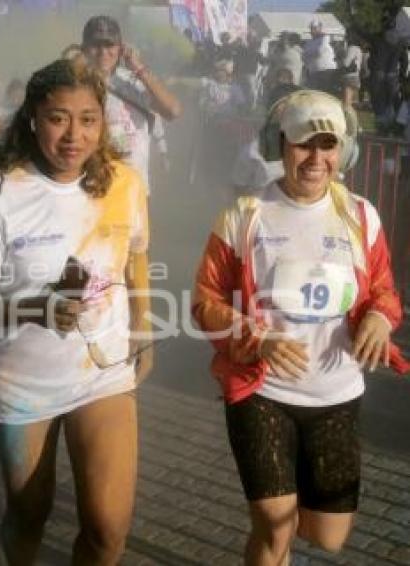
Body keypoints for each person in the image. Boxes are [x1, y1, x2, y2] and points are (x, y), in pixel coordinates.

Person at [0, 57, 152, 565]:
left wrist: (143, 325)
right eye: (58, 118)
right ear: (33, 118)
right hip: (24, 384)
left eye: (88, 119)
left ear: (103, 124)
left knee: (107, 529)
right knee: (29, 514)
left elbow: (138, 254)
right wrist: (31, 309)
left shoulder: (125, 183)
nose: (73, 135)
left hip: (103, 374)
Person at [192, 90, 408, 565]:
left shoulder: (360, 215)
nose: (315, 158)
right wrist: (257, 336)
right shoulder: (243, 216)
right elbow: (204, 303)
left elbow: (384, 290)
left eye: (327, 145)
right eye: (303, 144)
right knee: (275, 523)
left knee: (328, 537)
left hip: (336, 394)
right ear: (281, 145)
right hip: (263, 392)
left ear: (342, 152)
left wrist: (378, 315)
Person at [81, 15, 182, 192]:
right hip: (88, 187)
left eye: (109, 45)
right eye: (96, 45)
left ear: (121, 49)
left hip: (132, 190)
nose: (103, 52)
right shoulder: (75, 84)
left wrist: (138, 67)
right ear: (84, 49)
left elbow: (172, 110)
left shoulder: (134, 81)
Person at [303, 20, 338, 94]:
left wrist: (310, 55)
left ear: (320, 28)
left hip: (326, 71)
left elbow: (320, 51)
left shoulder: (325, 38)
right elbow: (304, 57)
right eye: (311, 28)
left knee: (327, 94)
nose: (313, 30)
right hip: (313, 73)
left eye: (315, 28)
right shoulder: (309, 43)